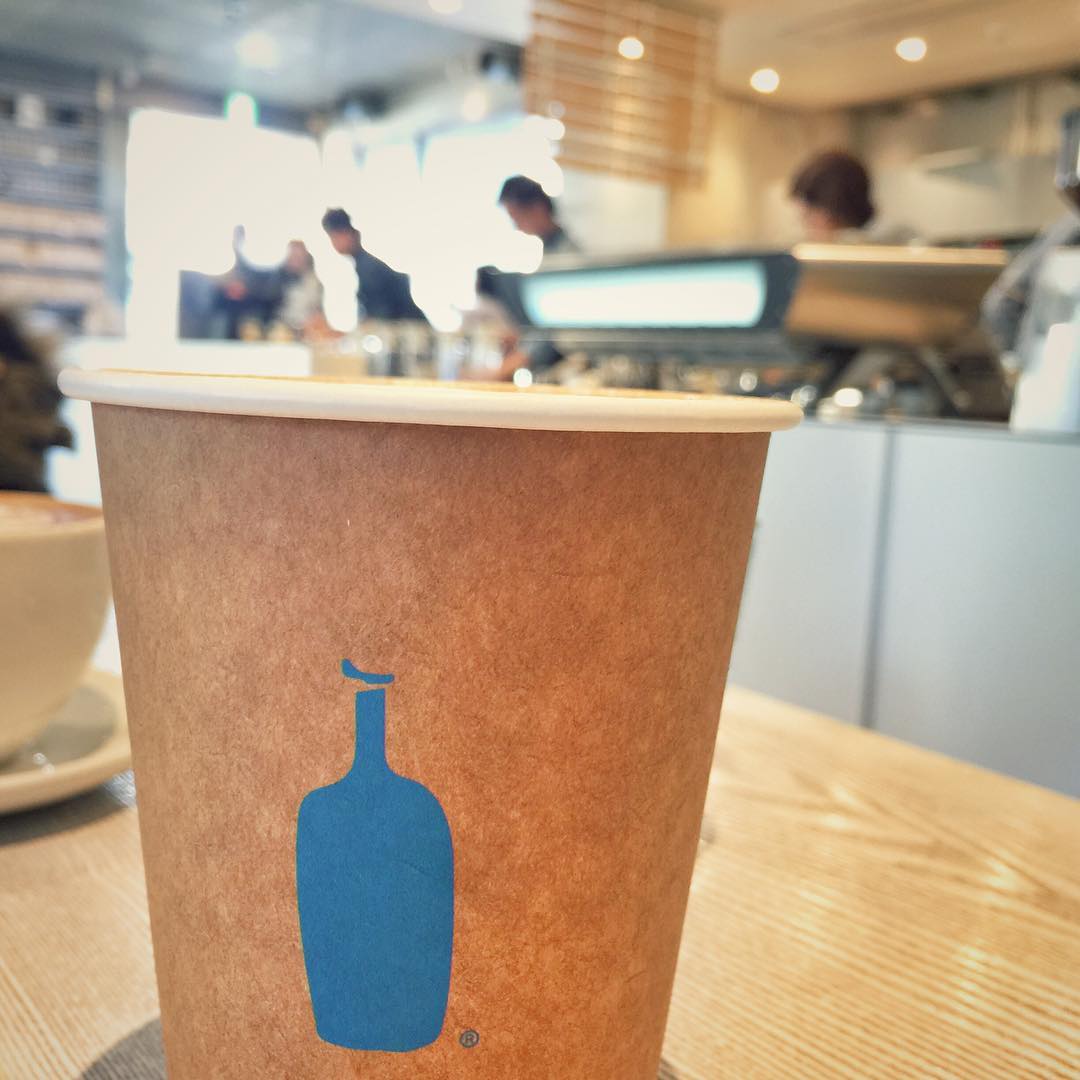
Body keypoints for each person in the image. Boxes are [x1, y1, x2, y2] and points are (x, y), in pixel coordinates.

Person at [320, 208, 426, 322]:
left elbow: (381, 314)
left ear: (349, 233)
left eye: (335, 237)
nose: (335, 244)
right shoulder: (364, 265)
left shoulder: (369, 268)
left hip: (408, 326)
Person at [498, 176, 579, 256]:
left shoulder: (571, 250)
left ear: (538, 209)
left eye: (517, 218)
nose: (518, 227)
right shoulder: (551, 248)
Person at [275, 240, 324, 338]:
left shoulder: (315, 282)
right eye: (293, 256)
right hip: (280, 331)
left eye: (299, 256)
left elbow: (318, 311)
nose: (295, 260)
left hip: (307, 333)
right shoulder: (275, 280)